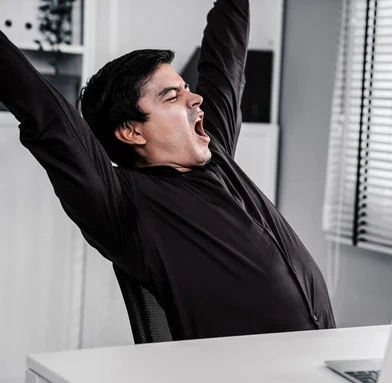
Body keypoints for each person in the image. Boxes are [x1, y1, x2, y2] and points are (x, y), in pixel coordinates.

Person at [0, 0, 335, 340]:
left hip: (319, 358)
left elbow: (226, 57)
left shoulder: (213, 154)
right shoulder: (121, 206)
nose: (195, 99)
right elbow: (49, 117)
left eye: (187, 88)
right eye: (172, 96)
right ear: (132, 131)